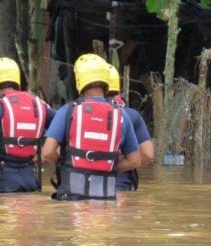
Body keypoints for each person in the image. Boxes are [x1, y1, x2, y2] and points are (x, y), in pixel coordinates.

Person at [42, 54, 141, 201]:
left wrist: (67, 165)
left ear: (79, 80)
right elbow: (135, 160)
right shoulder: (122, 115)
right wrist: (107, 167)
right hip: (105, 198)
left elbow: (48, 152)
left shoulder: (68, 111)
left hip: (71, 197)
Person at [0, 57, 55, 192]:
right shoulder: (38, 104)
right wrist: (45, 153)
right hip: (31, 178)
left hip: (3, 178)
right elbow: (64, 126)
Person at [106, 64, 154, 191]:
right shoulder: (130, 115)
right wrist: (115, 166)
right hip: (121, 181)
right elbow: (147, 154)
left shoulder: (75, 112)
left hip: (80, 179)